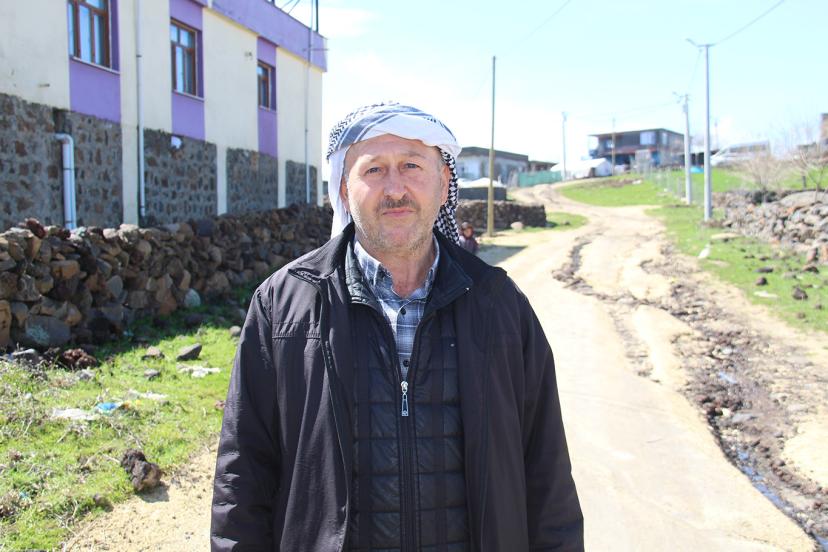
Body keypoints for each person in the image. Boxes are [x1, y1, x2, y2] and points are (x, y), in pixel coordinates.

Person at [211, 103, 583, 551]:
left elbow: (547, 476)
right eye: (374, 170)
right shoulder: (283, 307)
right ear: (344, 188)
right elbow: (242, 477)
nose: (395, 189)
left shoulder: (499, 305)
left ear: (443, 183)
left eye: (411, 165)